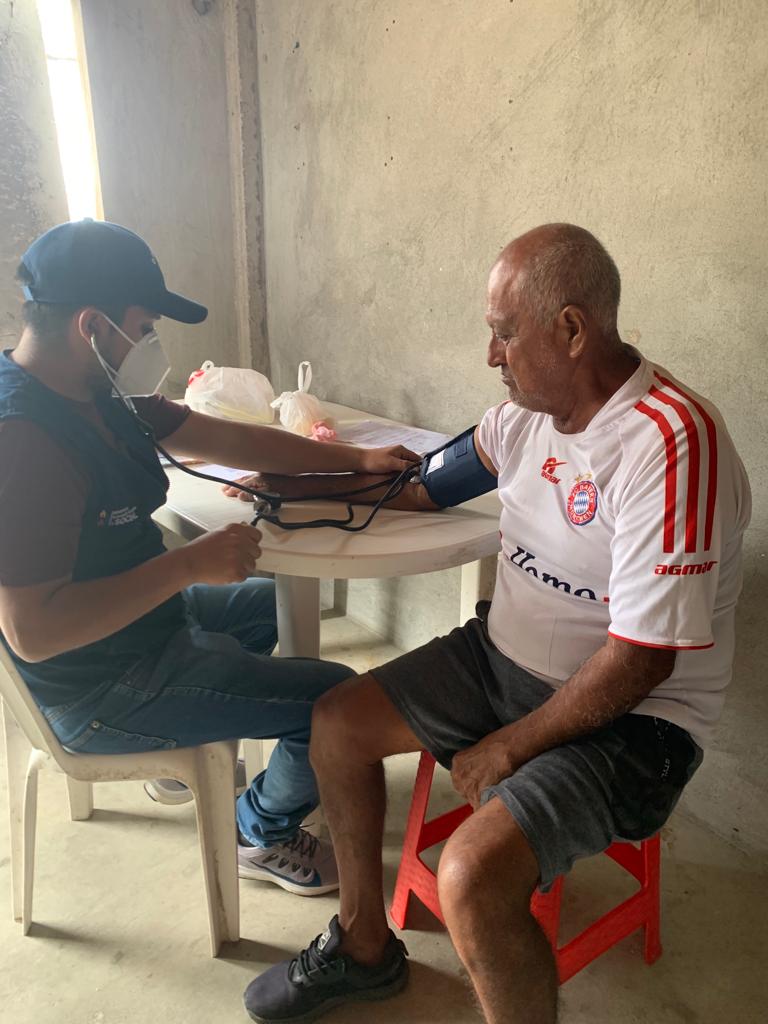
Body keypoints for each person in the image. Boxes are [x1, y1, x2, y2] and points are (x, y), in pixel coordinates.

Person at [239, 223, 751, 1022]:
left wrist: (509, 746)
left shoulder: (671, 442)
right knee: (336, 723)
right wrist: (292, 484)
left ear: (572, 330)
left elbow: (644, 659)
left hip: (637, 723)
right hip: (501, 660)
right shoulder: (523, 418)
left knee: (470, 876)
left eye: (504, 333)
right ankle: (365, 947)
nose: (491, 355)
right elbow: (419, 486)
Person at [0, 218, 418, 896]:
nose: (151, 345)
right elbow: (33, 631)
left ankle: (189, 743)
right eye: (143, 328)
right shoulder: (24, 443)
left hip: (145, 624)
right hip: (99, 685)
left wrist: (354, 459)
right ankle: (261, 830)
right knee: (338, 698)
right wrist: (188, 565)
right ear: (92, 326)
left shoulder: (98, 393)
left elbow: (233, 441)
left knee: (284, 604)